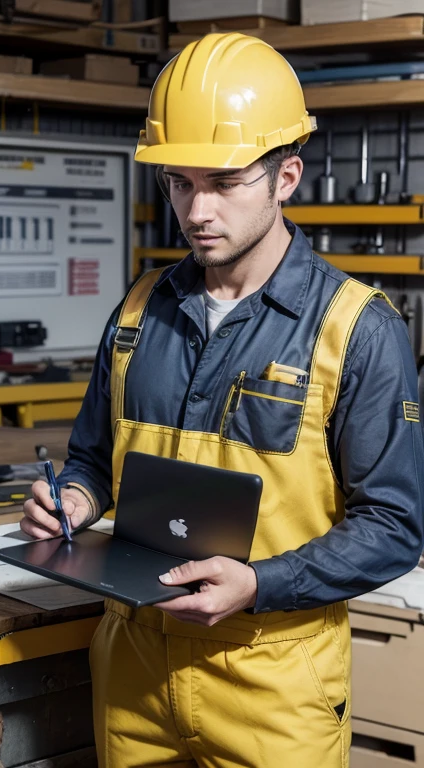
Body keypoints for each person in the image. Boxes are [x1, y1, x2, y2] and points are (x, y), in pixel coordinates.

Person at [22, 32, 424, 768]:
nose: (197, 209)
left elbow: (395, 526)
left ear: (286, 176)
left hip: (274, 678)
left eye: (224, 180)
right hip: (133, 668)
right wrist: (73, 501)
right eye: (179, 182)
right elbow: (88, 460)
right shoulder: (139, 313)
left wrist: (260, 584)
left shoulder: (355, 330)